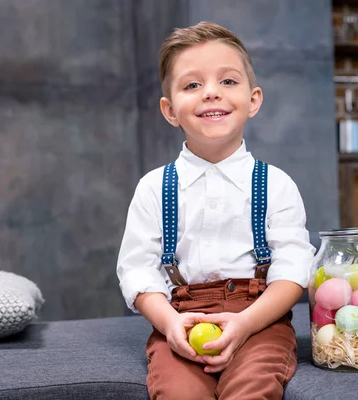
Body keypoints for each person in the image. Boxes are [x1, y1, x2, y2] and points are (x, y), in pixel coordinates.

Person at [116, 21, 315, 400]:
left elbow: (293, 270)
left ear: (253, 100)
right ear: (170, 109)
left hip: (259, 319)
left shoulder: (276, 185)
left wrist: (246, 323)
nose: (210, 93)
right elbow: (137, 270)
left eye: (227, 81)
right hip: (182, 318)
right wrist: (170, 324)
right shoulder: (154, 188)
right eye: (192, 85)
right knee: (178, 393)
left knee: (251, 389)